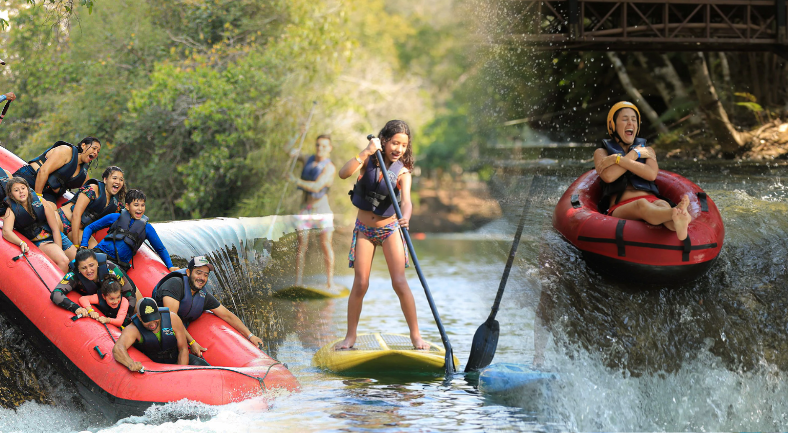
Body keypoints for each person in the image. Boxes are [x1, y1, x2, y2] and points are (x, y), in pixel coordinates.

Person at [336, 120, 427, 350]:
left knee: (398, 282)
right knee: (361, 283)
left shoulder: (403, 171)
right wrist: (365, 151)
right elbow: (343, 173)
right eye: (395, 143)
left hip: (389, 230)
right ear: (384, 141)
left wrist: (406, 217)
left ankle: (416, 336)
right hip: (364, 230)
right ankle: (350, 337)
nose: (398, 149)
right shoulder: (368, 159)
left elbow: (406, 201)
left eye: (404, 145)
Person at [593, 101, 691, 241]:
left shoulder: (647, 150)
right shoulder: (601, 152)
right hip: (621, 206)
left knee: (662, 204)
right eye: (625, 119)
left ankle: (678, 219)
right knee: (642, 205)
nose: (630, 123)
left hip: (652, 200)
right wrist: (633, 155)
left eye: (634, 120)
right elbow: (609, 176)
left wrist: (618, 159)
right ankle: (678, 213)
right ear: (613, 125)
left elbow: (651, 174)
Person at [152, 256, 264, 356]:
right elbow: (171, 318)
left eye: (206, 275)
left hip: (179, 334)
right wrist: (192, 342)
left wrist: (250, 336)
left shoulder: (202, 295)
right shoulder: (175, 284)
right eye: (198, 272)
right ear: (188, 272)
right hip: (158, 332)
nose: (202, 278)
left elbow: (227, 315)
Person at [80, 189, 178, 272]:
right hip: (99, 254)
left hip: (117, 265)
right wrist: (84, 245)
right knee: (76, 264)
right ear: (127, 206)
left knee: (129, 290)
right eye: (136, 205)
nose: (140, 209)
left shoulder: (147, 228)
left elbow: (160, 249)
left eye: (143, 205)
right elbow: (90, 227)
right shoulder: (115, 217)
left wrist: (170, 266)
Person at [287, 134, 336, 290]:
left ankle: (330, 282)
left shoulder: (330, 168)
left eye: (323, 146)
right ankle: (298, 282)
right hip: (306, 210)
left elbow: (316, 187)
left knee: (325, 245)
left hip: (323, 211)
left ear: (329, 148)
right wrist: (299, 134)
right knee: (301, 246)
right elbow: (288, 150)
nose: (320, 149)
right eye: (317, 145)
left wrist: (295, 180)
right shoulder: (307, 158)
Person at [112, 298, 209, 371]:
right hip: (155, 366)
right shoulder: (133, 329)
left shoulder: (173, 319)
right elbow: (118, 348)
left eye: (155, 317)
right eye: (147, 320)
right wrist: (130, 364)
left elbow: (183, 349)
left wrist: (179, 371)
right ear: (139, 317)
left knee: (209, 369)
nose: (152, 323)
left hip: (177, 359)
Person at [2, 177, 76, 272]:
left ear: (28, 189)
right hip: (40, 241)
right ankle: (60, 286)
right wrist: (21, 243)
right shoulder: (11, 210)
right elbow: (6, 232)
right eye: (16, 190)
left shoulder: (41, 201)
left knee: (78, 261)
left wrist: (59, 249)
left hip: (55, 235)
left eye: (23, 188)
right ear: (11, 194)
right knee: (64, 261)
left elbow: (55, 229)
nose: (21, 192)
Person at [51, 249, 139, 317]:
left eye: (91, 265)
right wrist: (76, 308)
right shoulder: (74, 276)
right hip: (97, 299)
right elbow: (56, 294)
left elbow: (130, 295)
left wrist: (125, 319)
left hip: (117, 296)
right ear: (78, 268)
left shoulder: (111, 269)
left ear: (97, 263)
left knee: (137, 306)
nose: (89, 271)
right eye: (84, 268)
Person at [13, 137, 101, 203]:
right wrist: (38, 198)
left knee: (52, 214)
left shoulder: (83, 173)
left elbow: (91, 190)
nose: (96, 153)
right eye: (94, 148)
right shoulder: (66, 151)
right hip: (31, 177)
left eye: (98, 151)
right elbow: (43, 171)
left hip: (48, 193)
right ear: (83, 145)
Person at [59, 165, 125, 248]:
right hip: (63, 219)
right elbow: (76, 215)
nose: (118, 182)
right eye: (114, 178)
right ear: (105, 180)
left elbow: (127, 214)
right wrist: (76, 244)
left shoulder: (116, 204)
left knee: (94, 254)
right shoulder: (92, 190)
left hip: (78, 230)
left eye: (121, 180)